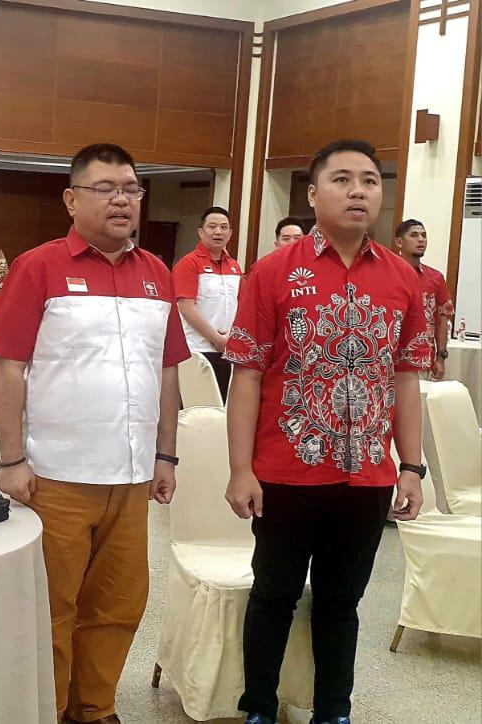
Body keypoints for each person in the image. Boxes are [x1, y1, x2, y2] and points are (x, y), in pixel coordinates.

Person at [224, 139, 431, 724]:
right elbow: (247, 375)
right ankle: (259, 708)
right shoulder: (273, 272)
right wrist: (240, 469)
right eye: (342, 179)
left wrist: (411, 466)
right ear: (313, 195)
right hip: (285, 470)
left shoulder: (402, 279)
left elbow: (406, 378)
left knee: (343, 603)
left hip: (367, 475)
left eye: (369, 180)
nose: (358, 190)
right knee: (274, 596)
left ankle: (334, 711)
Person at [0, 143, 188, 724]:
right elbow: (9, 366)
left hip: (132, 475)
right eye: (105, 188)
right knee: (51, 605)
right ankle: (44, 709)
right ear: (71, 200)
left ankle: (94, 708)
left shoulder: (157, 274)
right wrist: (11, 459)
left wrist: (166, 455)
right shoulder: (39, 267)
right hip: (57, 474)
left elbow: (167, 371)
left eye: (131, 189)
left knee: (119, 603)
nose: (121, 199)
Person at [173, 206, 242, 399]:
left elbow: (242, 306)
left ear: (230, 234)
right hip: (197, 350)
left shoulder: (235, 267)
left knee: (223, 408)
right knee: (199, 407)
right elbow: (186, 308)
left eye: (223, 227)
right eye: (212, 227)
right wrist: (216, 339)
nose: (218, 232)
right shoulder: (188, 264)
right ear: (201, 232)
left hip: (228, 350)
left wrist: (229, 337)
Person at [393, 218, 454, 380]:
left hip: (422, 359)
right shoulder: (387, 274)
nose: (421, 239)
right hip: (388, 358)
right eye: (414, 235)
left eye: (424, 235)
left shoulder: (435, 278)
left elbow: (442, 319)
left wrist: (441, 357)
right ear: (399, 242)